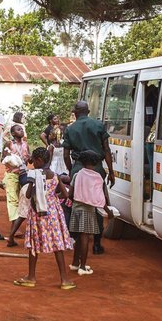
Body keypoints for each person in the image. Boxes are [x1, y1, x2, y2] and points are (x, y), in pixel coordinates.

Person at [13, 148, 76, 290]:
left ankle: (31, 277)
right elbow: (65, 195)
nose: (32, 164)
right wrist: (52, 198)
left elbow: (29, 195)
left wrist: (32, 185)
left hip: (38, 214)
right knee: (57, 244)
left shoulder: (34, 175)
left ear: (39, 160)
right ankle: (64, 279)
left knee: (34, 245)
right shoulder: (55, 175)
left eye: (34, 161)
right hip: (53, 214)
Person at [63, 101, 116, 255]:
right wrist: (111, 171)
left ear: (75, 112)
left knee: (75, 202)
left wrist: (72, 170)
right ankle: (97, 244)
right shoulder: (98, 125)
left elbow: (66, 155)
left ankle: (76, 239)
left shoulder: (70, 129)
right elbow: (106, 149)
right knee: (98, 202)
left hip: (78, 167)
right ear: (88, 111)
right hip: (96, 167)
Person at [68, 150, 113, 275]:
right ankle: (83, 266)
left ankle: (75, 263)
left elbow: (70, 194)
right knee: (85, 238)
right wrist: (109, 212)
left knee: (79, 237)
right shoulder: (97, 177)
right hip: (88, 210)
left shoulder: (77, 175)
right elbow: (100, 197)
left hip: (76, 209)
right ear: (96, 162)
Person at [2, 124, 29, 241]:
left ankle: (15, 227)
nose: (21, 130)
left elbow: (28, 159)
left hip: (23, 174)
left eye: (22, 129)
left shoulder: (25, 145)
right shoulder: (9, 144)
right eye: (18, 129)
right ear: (13, 134)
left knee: (21, 198)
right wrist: (13, 161)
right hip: (12, 175)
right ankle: (14, 228)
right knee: (13, 200)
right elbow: (4, 159)